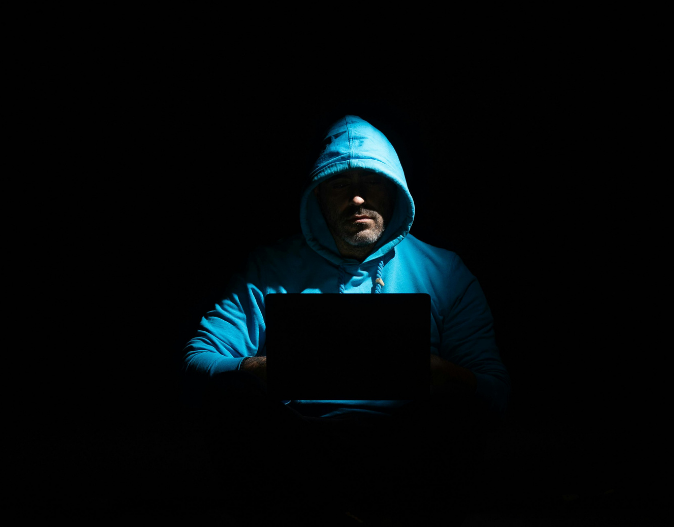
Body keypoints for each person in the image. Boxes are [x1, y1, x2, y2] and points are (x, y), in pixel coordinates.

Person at [181, 115, 511, 525]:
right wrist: (261, 368)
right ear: (318, 194)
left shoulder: (446, 271)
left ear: (394, 190)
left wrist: (437, 373)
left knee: (458, 408)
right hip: (298, 445)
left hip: (405, 445)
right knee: (232, 398)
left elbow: (494, 390)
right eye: (339, 184)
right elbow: (198, 360)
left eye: (372, 181)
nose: (357, 198)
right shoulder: (269, 268)